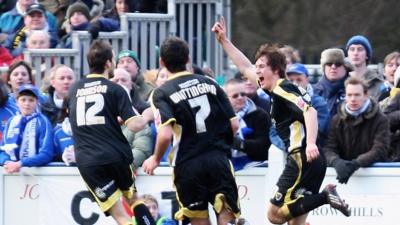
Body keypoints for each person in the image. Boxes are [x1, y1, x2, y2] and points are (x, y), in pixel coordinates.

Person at [212, 17, 350, 225]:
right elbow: (244, 67)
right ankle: (325, 196)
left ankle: (325, 196)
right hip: (313, 161)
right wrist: (224, 41)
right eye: (257, 67)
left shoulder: (283, 88)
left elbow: (310, 112)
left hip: (301, 159)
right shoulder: (276, 89)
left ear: (275, 69)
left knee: (274, 216)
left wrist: (311, 143)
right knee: (296, 222)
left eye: (261, 67)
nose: (256, 71)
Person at [142, 37, 241, 225]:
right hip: (217, 158)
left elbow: (165, 134)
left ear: (162, 62)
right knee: (226, 214)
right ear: (188, 58)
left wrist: (155, 159)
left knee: (198, 220)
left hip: (187, 165)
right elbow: (234, 125)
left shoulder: (161, 93)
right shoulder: (210, 83)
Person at [68, 40, 155, 225]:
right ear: (108, 63)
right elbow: (135, 126)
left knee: (120, 216)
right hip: (115, 155)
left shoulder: (74, 89)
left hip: (89, 161)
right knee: (134, 200)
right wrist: (148, 115)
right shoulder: (115, 89)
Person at [324, 77, 390, 183]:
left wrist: (356, 163)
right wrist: (336, 162)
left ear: (366, 95)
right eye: (349, 95)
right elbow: (329, 148)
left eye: (357, 95)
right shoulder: (337, 119)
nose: (353, 99)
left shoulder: (380, 119)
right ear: (345, 96)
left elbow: (380, 149)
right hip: (342, 175)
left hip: (374, 177)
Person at [0, 84, 54, 173]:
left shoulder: (43, 122)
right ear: (17, 102)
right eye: (23, 100)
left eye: (31, 100)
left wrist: (21, 164)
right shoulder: (11, 121)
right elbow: (2, 150)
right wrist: (7, 162)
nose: (27, 104)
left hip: (37, 174)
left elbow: (46, 154)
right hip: (11, 173)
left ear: (37, 102)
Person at [110, 68, 154, 168]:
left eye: (123, 80)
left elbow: (141, 149)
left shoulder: (142, 115)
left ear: (131, 85)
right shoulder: (99, 116)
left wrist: (120, 168)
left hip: (124, 172)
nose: (119, 83)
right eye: (116, 80)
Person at [224, 78, 271, 170]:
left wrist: (241, 144)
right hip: (226, 167)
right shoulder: (220, 115)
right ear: (226, 98)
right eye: (235, 95)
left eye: (243, 94)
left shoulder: (260, 114)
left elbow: (266, 145)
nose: (240, 97)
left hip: (256, 167)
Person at [286, 63, 330, 145]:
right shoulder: (280, 100)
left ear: (307, 80)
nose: (294, 84)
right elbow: (273, 132)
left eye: (299, 80)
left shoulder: (319, 103)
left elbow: (319, 130)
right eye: (291, 80)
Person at [313, 48, 352, 119]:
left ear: (345, 67)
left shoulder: (354, 90)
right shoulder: (313, 92)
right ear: (324, 67)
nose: (333, 67)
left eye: (338, 64)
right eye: (329, 63)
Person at [346, 35, 384, 100]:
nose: (355, 53)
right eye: (352, 49)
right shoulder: (340, 80)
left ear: (367, 55)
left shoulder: (378, 84)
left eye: (360, 49)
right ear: (348, 54)